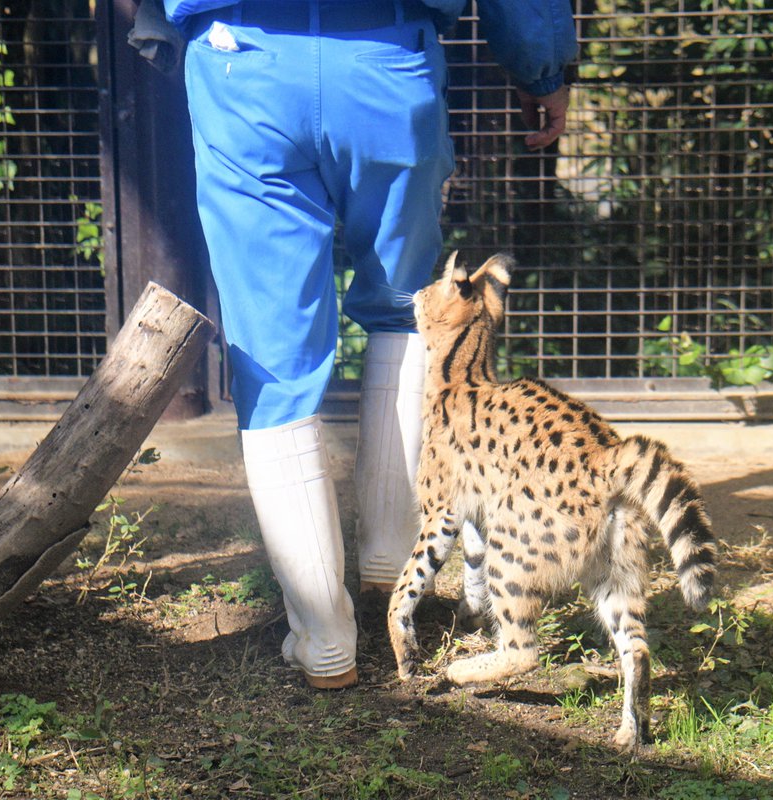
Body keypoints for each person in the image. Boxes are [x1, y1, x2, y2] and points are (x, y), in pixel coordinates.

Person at [161, 0, 576, 689]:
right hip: (389, 57)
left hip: (242, 64)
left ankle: (324, 637)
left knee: (273, 353)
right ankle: (390, 557)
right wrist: (541, 68)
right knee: (406, 307)